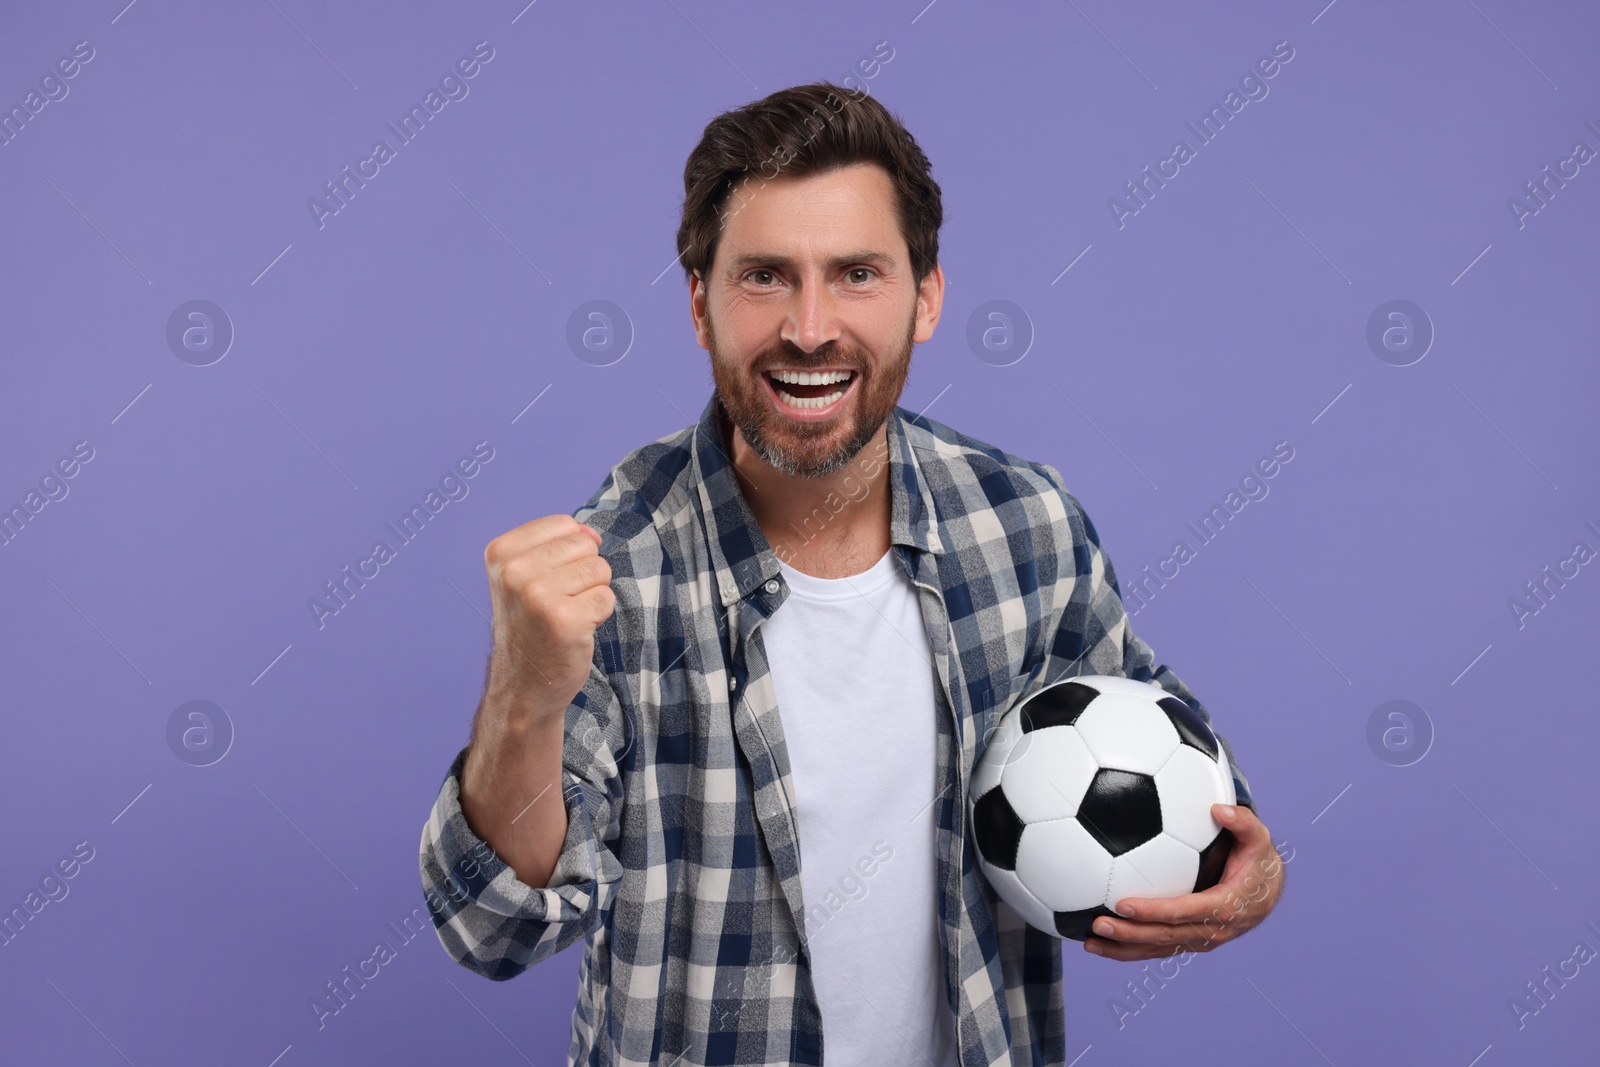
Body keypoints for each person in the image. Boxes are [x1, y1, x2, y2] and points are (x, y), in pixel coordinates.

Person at [418, 81, 1284, 1067]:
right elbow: (492, 927)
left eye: (857, 273)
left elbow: (1182, 771)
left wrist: (1247, 878)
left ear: (927, 298)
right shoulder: (611, 569)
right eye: (765, 276)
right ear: (700, 305)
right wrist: (523, 695)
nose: (809, 326)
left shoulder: (1024, 524)